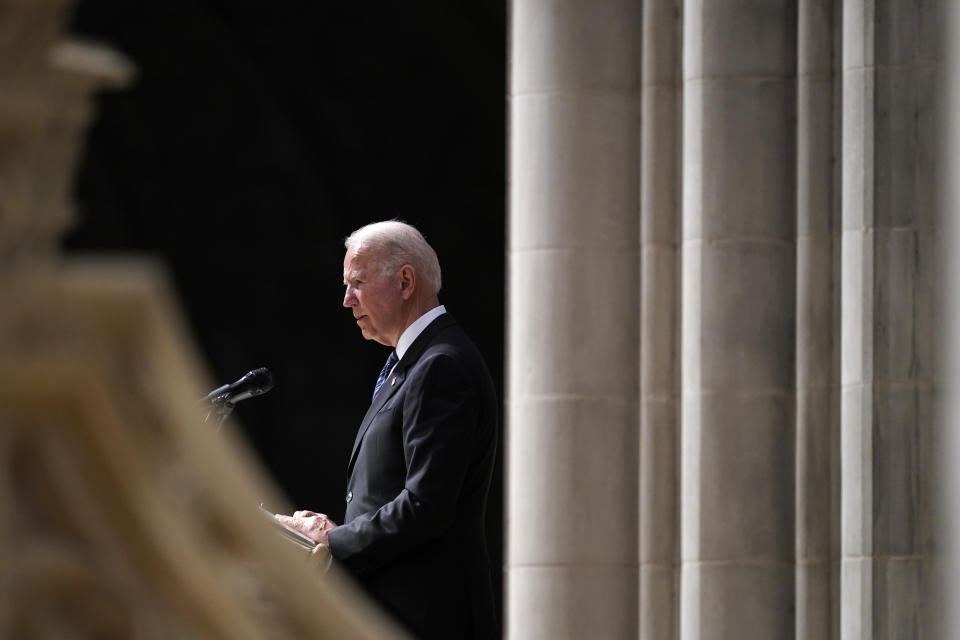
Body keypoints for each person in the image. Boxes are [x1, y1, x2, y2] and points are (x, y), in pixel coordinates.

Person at [276, 221, 498, 639]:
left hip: (427, 618)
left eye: (357, 281)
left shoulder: (440, 365)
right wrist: (333, 531)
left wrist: (333, 543)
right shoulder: (411, 364)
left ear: (405, 281)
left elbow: (425, 506)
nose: (346, 300)